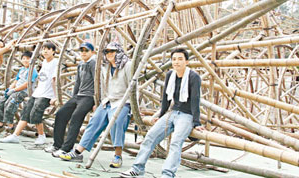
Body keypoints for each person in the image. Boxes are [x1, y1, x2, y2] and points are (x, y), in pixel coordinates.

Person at [120, 48, 204, 178]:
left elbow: (195, 100)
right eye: (174, 59)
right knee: (150, 136)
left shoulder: (194, 77)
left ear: (187, 61)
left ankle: (168, 174)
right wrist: (161, 115)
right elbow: (165, 97)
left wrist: (196, 122)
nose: (176, 62)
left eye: (180, 59)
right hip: (173, 112)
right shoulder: (170, 75)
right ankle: (137, 168)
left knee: (176, 142)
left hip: (186, 115)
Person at [59, 42, 132, 168]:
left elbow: (133, 86)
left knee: (117, 122)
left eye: (112, 51)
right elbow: (103, 87)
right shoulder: (105, 67)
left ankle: (118, 156)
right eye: (107, 52)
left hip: (123, 101)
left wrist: (135, 107)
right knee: (94, 121)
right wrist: (100, 103)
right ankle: (77, 152)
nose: (109, 54)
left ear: (118, 52)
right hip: (108, 101)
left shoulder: (127, 65)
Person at [45, 42, 96, 157]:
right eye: (81, 50)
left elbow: (98, 82)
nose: (83, 52)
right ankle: (57, 145)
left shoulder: (93, 63)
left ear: (92, 52)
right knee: (61, 114)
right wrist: (74, 98)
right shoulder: (81, 64)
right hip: (79, 96)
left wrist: (97, 101)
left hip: (89, 97)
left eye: (86, 50)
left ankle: (66, 149)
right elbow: (77, 82)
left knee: (75, 118)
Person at [0, 42, 58, 145]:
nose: (45, 51)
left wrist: (55, 96)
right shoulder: (44, 62)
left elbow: (55, 80)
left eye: (48, 49)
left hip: (47, 94)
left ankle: (41, 136)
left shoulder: (55, 63)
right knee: (26, 112)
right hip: (38, 92)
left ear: (53, 51)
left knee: (36, 113)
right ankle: (15, 135)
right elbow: (41, 79)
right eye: (43, 49)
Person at [0, 51, 38, 136]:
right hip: (15, 91)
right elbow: (16, 81)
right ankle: (0, 126)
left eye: (27, 59)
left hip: (23, 92)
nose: (25, 60)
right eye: (23, 58)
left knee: (9, 105)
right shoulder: (22, 69)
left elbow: (27, 84)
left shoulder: (33, 71)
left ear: (32, 60)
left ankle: (11, 128)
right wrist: (9, 89)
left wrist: (14, 90)